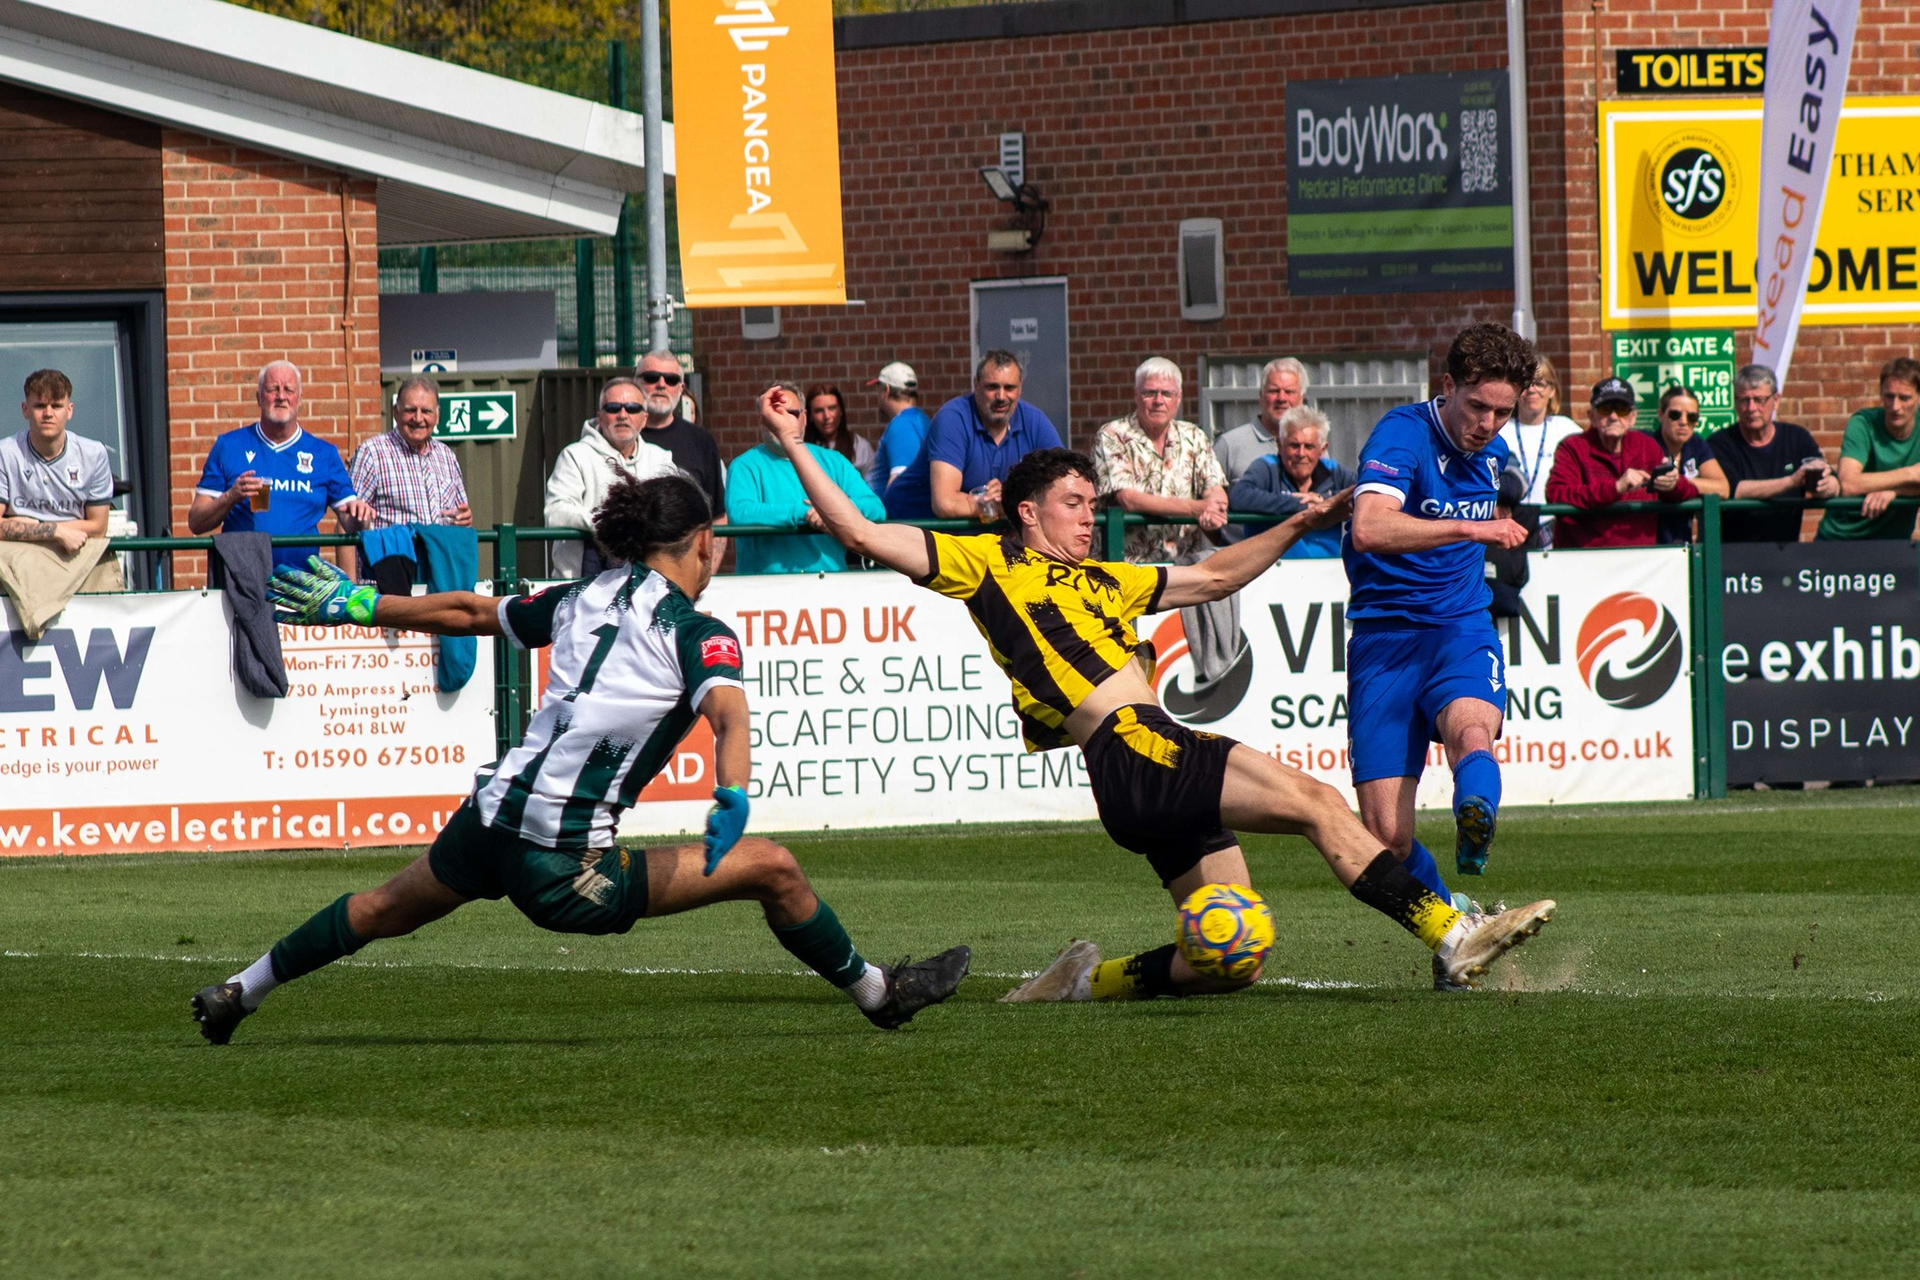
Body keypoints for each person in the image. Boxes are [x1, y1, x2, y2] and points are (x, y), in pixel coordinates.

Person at [759, 384, 1555, 1002]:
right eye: (1074, 504)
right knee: (1318, 803)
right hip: (1138, 745)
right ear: (1026, 511)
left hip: (1135, 775)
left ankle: (1080, 983)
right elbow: (863, 535)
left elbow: (1213, 575)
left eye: (1091, 504)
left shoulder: (1104, 578)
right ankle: (1452, 934)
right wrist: (797, 447)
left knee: (1236, 954)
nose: (1086, 518)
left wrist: (1306, 520)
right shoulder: (989, 563)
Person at [189, 472, 971, 1046]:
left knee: (381, 908)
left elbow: (468, 610)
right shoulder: (696, 632)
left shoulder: (584, 595)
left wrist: (361, 604)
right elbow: (729, 715)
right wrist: (733, 793)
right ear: (705, 542)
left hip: (488, 819)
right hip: (560, 866)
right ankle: (879, 996)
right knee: (773, 867)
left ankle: (240, 992)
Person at [1342, 324, 1537, 977]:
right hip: (1384, 643)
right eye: (1477, 406)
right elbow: (1368, 526)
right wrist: (1466, 525)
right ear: (1446, 387)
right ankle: (1459, 919)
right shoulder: (1402, 434)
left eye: (1503, 411)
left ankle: (1475, 817)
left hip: (1459, 628)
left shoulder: (1492, 448)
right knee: (1386, 840)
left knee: (1472, 732)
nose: (1488, 424)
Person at [187, 360, 374, 570]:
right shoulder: (229, 446)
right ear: (259, 397)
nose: (281, 397)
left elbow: (350, 523)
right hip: (242, 581)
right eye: (273, 389)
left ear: (300, 399)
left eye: (289, 390)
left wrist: (361, 517)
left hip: (302, 585)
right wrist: (231, 497)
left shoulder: (324, 453)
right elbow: (196, 522)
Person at [882, 350, 1062, 522]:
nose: (1001, 396)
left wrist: (1011, 495)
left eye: (1009, 387)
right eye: (992, 387)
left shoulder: (1034, 421)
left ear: (1020, 388)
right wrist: (1002, 504)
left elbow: (1062, 484)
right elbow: (945, 503)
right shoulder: (953, 418)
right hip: (910, 527)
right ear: (976, 385)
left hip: (964, 536)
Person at [729, 383, 886, 574]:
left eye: (792, 414)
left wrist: (830, 511)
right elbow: (741, 514)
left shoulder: (834, 461)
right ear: (762, 419)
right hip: (765, 595)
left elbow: (875, 508)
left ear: (804, 418)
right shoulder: (744, 466)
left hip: (830, 587)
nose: (783, 421)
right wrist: (803, 513)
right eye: (776, 413)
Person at [1089, 357, 1227, 564]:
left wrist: (1215, 505)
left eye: (1167, 394)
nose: (1158, 401)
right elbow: (1128, 499)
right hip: (1126, 567)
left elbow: (1215, 488)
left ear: (1178, 398)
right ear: (1136, 395)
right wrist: (1195, 508)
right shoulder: (1113, 435)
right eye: (1150, 392)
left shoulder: (1194, 436)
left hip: (1182, 568)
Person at [544, 375, 680, 577]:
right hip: (582, 588)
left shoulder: (661, 459)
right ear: (600, 416)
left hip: (648, 584)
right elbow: (555, 512)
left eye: (632, 408)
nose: (622, 415)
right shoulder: (575, 455)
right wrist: (608, 520)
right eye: (613, 408)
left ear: (644, 419)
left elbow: (677, 515)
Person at [1545, 377, 1696, 548]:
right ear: (1591, 416)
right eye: (1605, 408)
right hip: (1584, 558)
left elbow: (1689, 492)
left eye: (1622, 410)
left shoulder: (1646, 446)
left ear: (1633, 417)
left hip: (1640, 560)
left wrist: (1673, 485)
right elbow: (1556, 494)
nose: (1614, 416)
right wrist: (1616, 488)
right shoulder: (1572, 447)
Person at [1708, 364, 1838, 543]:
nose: (1751, 408)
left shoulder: (1797, 437)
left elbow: (1834, 482)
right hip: (1733, 555)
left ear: (1776, 400)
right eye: (1744, 400)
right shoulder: (1720, 443)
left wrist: (1823, 485)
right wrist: (1792, 481)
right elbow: (1736, 489)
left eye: (1759, 400)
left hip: (1785, 551)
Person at [0, 368, 113, 556]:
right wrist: (56, 532)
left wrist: (32, 526)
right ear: (25, 410)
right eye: (40, 406)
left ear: (69, 411)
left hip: (77, 559)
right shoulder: (5, 453)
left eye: (57, 406)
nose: (48, 413)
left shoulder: (94, 454)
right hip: (16, 564)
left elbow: (98, 528)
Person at [1226, 405, 1356, 558]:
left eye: (1309, 446)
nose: (1301, 454)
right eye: (1294, 445)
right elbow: (1239, 496)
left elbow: (1364, 493)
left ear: (1322, 449)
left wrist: (1323, 501)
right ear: (1280, 445)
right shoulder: (1267, 466)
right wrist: (1301, 505)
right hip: (1271, 569)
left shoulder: (1333, 470)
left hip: (1325, 568)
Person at [1818, 357, 1920, 542]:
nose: (1895, 406)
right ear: (1880, 393)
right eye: (1889, 396)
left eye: (1904, 398)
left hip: (1894, 543)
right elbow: (1849, 484)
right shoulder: (1863, 423)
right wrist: (1911, 474)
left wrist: (1895, 492)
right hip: (1840, 538)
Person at [351, 376, 472, 530]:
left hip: (440, 553)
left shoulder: (447, 456)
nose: (418, 418)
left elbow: (462, 516)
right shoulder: (372, 453)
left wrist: (464, 518)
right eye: (410, 410)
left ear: (437, 415)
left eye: (426, 411)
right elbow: (347, 523)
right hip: (393, 553)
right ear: (396, 412)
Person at [1495, 355, 1581, 547]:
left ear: (1552, 390)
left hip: (1553, 528)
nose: (1532, 389)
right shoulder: (1499, 430)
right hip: (1508, 528)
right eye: (1525, 384)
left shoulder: (1568, 430)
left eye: (1539, 383)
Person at [1643, 385, 1729, 545]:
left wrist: (1679, 481)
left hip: (1682, 543)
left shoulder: (1695, 443)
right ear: (1660, 415)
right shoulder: (1646, 443)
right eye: (1675, 415)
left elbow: (1723, 488)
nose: (1683, 422)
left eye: (1692, 417)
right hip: (1650, 542)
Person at [1213, 357, 1308, 487]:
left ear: (1301, 399)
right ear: (1261, 397)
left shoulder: (1311, 444)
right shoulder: (1228, 446)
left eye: (1289, 392)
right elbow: (1209, 501)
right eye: (1274, 391)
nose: (1281, 398)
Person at [865, 361, 928, 495]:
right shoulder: (922, 420)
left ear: (886, 390)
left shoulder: (902, 426)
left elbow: (900, 485)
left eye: (879, 390)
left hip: (890, 514)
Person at [803, 382, 874, 479]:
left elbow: (872, 487)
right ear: (809, 416)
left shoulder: (859, 446)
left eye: (832, 408)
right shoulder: (803, 448)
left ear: (840, 410)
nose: (827, 416)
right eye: (819, 410)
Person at [1484, 469, 1529, 617]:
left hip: (1498, 588)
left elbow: (1515, 483)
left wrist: (1497, 497)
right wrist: (1491, 499)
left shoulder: (1498, 449)